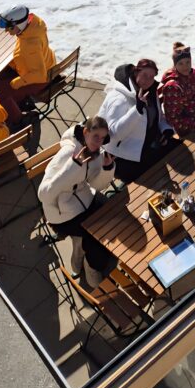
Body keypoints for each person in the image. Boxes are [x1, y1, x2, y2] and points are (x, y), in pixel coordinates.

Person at [37, 116, 116, 287]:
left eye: (103, 138)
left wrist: (107, 168)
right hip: (61, 215)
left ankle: (82, 253)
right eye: (96, 136)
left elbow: (96, 184)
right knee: (96, 233)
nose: (99, 142)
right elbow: (44, 194)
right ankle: (92, 268)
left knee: (110, 211)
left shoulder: (95, 152)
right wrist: (72, 167)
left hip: (82, 200)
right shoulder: (67, 153)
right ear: (86, 132)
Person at [98, 58, 174, 182]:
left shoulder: (149, 91)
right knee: (156, 178)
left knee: (176, 154)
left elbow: (158, 116)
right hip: (123, 156)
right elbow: (114, 134)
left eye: (151, 77)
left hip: (145, 146)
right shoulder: (118, 98)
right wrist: (137, 110)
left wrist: (165, 129)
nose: (148, 80)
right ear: (135, 72)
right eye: (144, 75)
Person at [0, 5, 57, 126]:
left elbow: (40, 75)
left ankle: (20, 122)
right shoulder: (33, 28)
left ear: (19, 25)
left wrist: (18, 82)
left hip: (38, 81)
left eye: (9, 28)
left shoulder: (30, 45)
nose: (6, 31)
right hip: (46, 65)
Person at [158, 43, 195, 138]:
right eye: (180, 63)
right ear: (175, 65)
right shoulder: (172, 87)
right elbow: (174, 119)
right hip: (190, 128)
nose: (185, 66)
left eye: (188, 62)